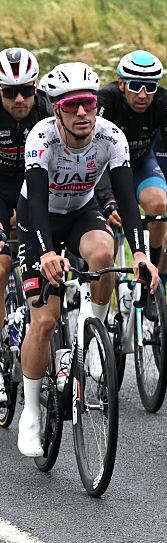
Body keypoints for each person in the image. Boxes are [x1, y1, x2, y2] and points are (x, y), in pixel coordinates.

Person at [17, 62, 158, 457]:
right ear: (56, 108)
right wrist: (45, 252)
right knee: (43, 319)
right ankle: (30, 412)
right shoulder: (41, 139)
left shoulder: (112, 137)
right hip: (40, 217)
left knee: (103, 252)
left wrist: (143, 254)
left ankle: (91, 331)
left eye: (89, 103)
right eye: (73, 104)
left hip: (81, 211)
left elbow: (129, 203)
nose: (83, 112)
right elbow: (39, 204)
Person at [97, 50, 167, 274]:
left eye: (150, 86)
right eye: (136, 85)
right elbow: (92, 155)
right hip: (104, 167)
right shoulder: (106, 100)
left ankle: (151, 271)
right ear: (121, 83)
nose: (143, 94)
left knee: (158, 204)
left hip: (138, 163)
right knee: (105, 223)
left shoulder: (163, 101)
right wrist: (108, 198)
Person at [0, 47, 47, 406]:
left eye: (26, 91)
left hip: (36, 189)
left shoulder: (49, 109)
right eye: (9, 92)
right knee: (1, 263)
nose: (19, 99)